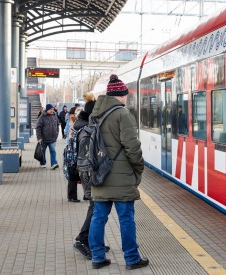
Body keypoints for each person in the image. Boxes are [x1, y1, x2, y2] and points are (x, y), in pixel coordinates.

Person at [88, 74, 149, 270]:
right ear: (120, 95)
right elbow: (133, 148)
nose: (126, 97)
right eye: (125, 94)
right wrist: (139, 167)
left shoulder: (95, 114)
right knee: (126, 219)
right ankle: (131, 258)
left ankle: (97, 257)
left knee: (98, 217)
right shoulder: (123, 115)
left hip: (99, 173)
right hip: (121, 177)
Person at [72, 96, 113, 258]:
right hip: (89, 172)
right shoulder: (87, 130)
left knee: (95, 207)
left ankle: (93, 241)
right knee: (95, 207)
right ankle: (82, 240)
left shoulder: (83, 126)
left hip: (86, 171)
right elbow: (89, 156)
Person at [35, 104, 60, 169]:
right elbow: (38, 127)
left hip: (52, 138)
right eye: (50, 109)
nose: (52, 110)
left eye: (52, 109)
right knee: (42, 152)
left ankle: (54, 164)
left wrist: (57, 133)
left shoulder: (54, 115)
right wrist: (39, 137)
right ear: (47, 109)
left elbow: (57, 125)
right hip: (43, 139)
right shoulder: (42, 117)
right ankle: (43, 163)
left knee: (53, 151)